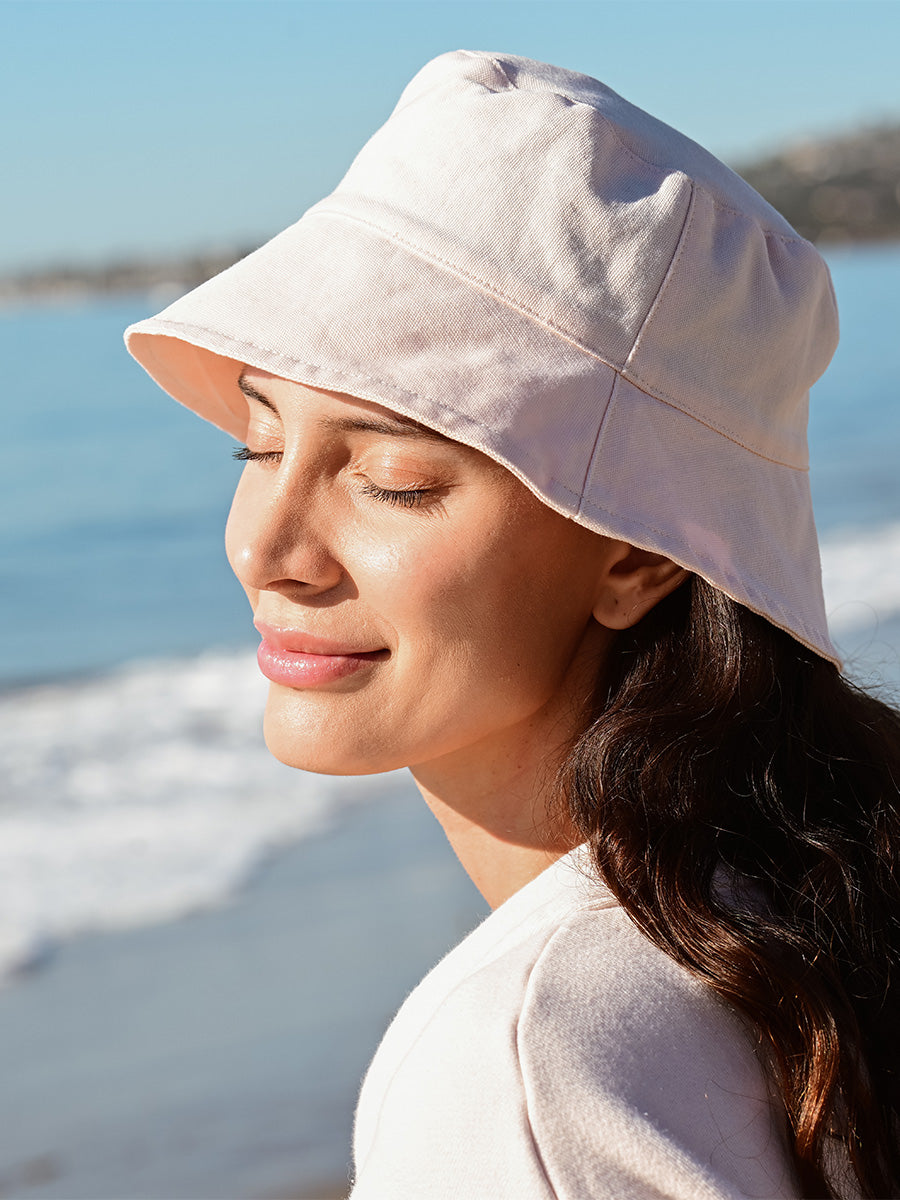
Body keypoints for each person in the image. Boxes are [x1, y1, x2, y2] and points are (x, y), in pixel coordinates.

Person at [125, 51, 900, 1200]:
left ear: (636, 551)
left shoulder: (535, 1063)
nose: (264, 548)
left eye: (392, 476)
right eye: (261, 442)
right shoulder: (816, 905)